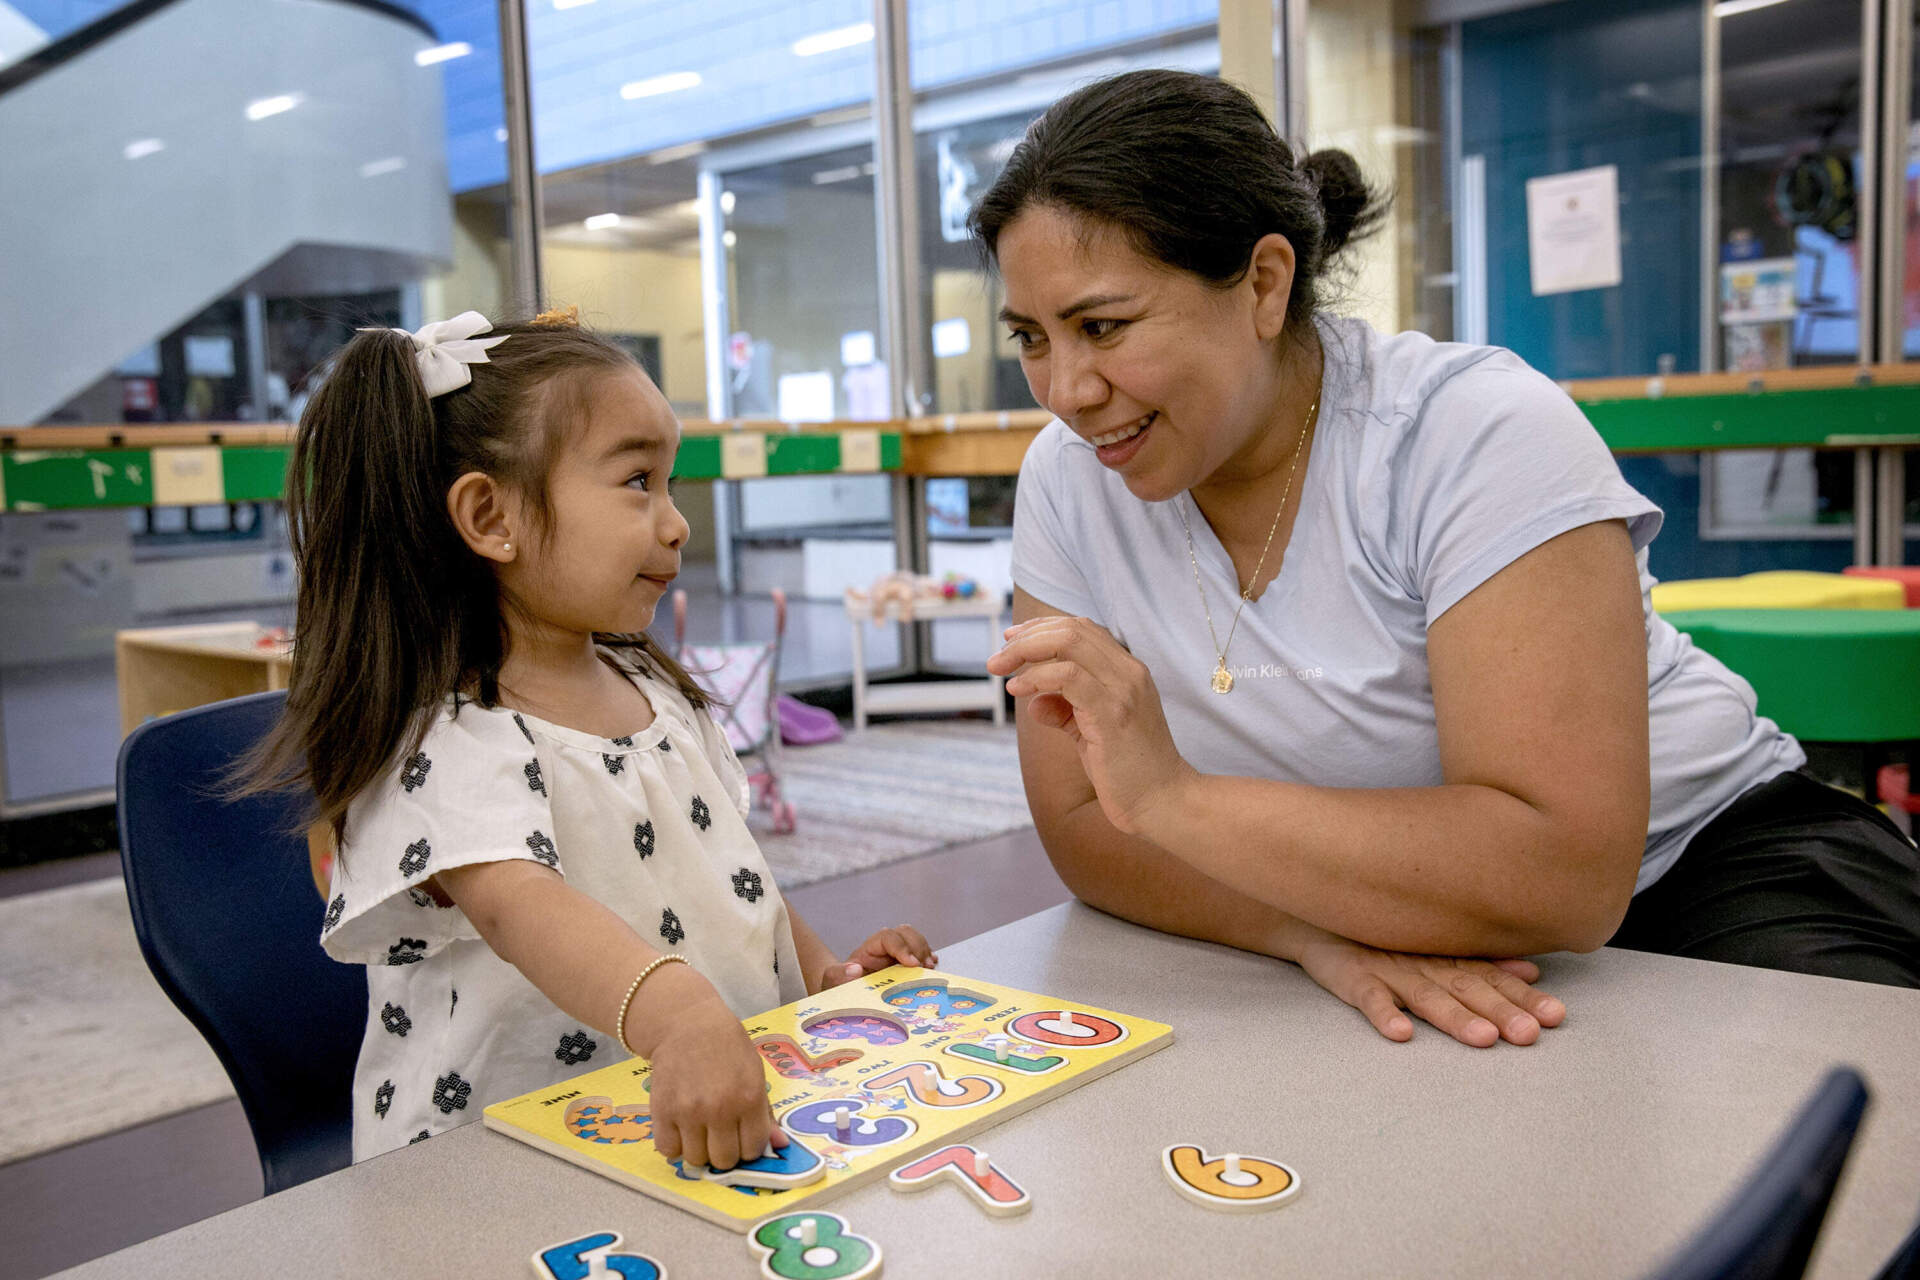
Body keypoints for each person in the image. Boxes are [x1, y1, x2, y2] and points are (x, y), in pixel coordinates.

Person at [977, 70, 1920, 1045]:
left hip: (1708, 874)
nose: (1068, 390)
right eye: (1030, 338)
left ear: (1263, 283)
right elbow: (1085, 822)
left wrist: (1177, 796)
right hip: (1353, 917)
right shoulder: (1068, 479)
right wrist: (1313, 930)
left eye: (1102, 326)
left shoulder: (1470, 432)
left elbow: (1562, 870)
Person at [243, 308, 935, 1164]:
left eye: (670, 483)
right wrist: (681, 1017)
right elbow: (519, 905)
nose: (677, 523)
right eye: (638, 481)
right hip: (495, 1167)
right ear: (491, 518)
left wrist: (828, 981)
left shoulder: (653, 691)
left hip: (680, 1135)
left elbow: (728, 875)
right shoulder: (444, 738)